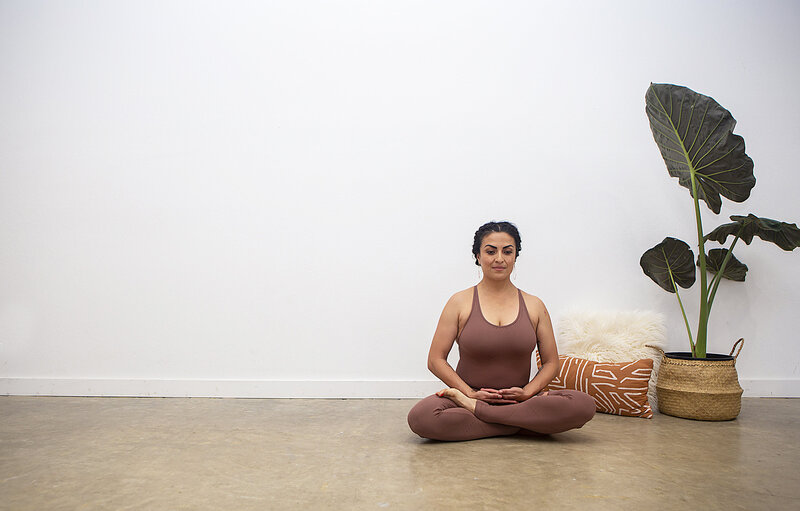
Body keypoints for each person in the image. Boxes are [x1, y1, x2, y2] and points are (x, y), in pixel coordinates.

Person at [407, 221, 595, 441]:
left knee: (584, 405)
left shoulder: (534, 305)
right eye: (490, 251)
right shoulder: (459, 302)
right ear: (477, 256)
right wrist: (468, 394)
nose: (499, 259)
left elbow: (552, 362)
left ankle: (490, 417)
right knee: (421, 418)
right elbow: (435, 360)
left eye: (507, 251)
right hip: (468, 396)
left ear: (516, 256)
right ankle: (522, 424)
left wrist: (528, 392)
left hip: (521, 399)